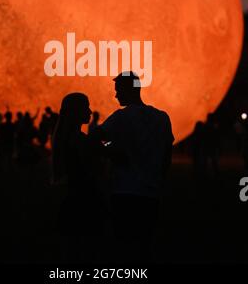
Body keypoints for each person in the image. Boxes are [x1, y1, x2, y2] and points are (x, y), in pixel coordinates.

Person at [90, 71, 174, 263]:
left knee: (124, 246)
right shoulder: (162, 118)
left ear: (130, 90)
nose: (116, 94)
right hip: (151, 193)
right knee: (145, 245)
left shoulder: (121, 117)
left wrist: (110, 150)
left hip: (125, 191)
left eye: (119, 90)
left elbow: (95, 139)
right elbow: (166, 155)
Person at [52, 93, 106, 262]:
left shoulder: (62, 137)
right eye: (86, 107)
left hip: (71, 199)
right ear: (76, 112)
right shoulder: (78, 140)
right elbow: (97, 162)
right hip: (84, 199)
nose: (90, 111)